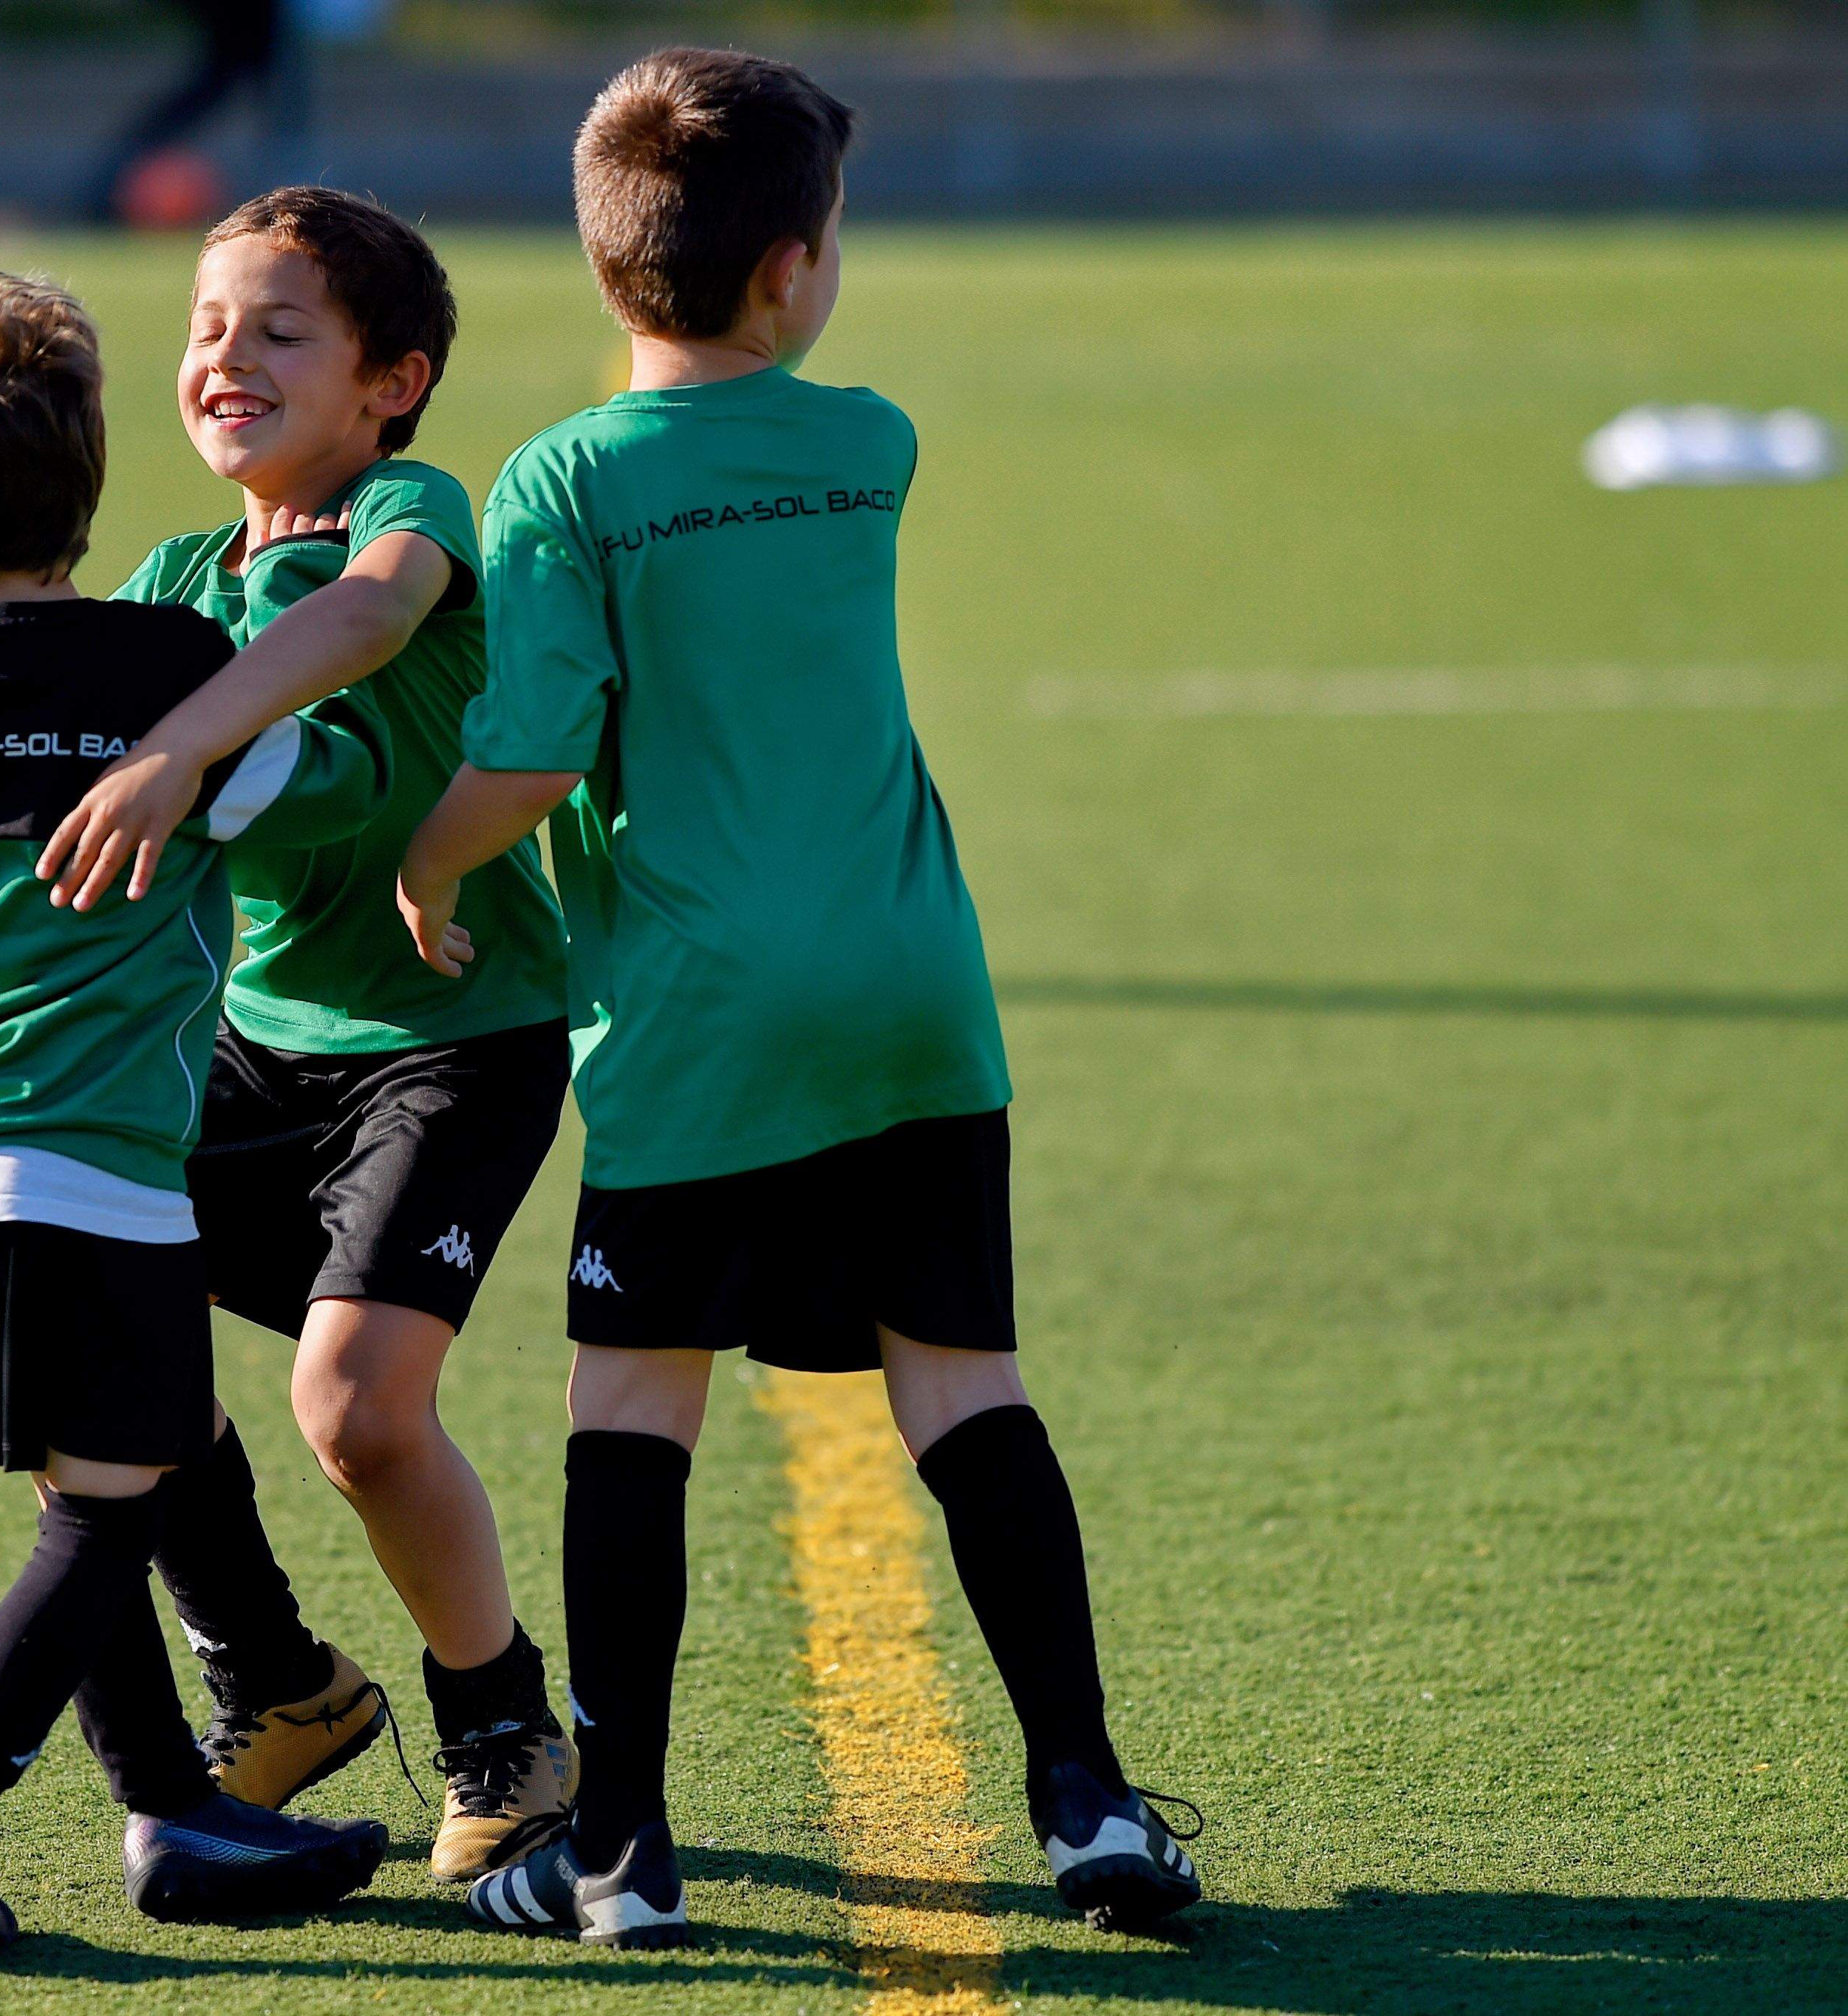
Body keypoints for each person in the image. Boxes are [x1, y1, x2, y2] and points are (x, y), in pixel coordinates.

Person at [393, 50, 1205, 1947]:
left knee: (630, 1404)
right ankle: (1089, 1801)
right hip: (914, 993)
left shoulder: (562, 479)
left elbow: (534, 754)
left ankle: (621, 1853)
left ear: (605, 261)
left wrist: (422, 870)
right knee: (964, 1382)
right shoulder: (869, 446)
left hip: (699, 1019)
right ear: (791, 269)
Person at [0, 188, 580, 1885]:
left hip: (451, 1032)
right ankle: (275, 1677)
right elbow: (46, 746)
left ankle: (503, 1727)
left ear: (392, 383)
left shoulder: (403, 514)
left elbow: (359, 626)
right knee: (102, 1325)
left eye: (279, 330)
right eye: (203, 328)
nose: (225, 355)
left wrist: (177, 749)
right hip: (247, 1044)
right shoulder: (176, 584)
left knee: (356, 1411)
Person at [0, 264, 396, 1956]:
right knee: (107, 1512)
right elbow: (332, 796)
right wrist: (300, 640)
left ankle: (170, 1813)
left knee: (96, 1482)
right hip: (97, 1170)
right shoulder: (168, 668)